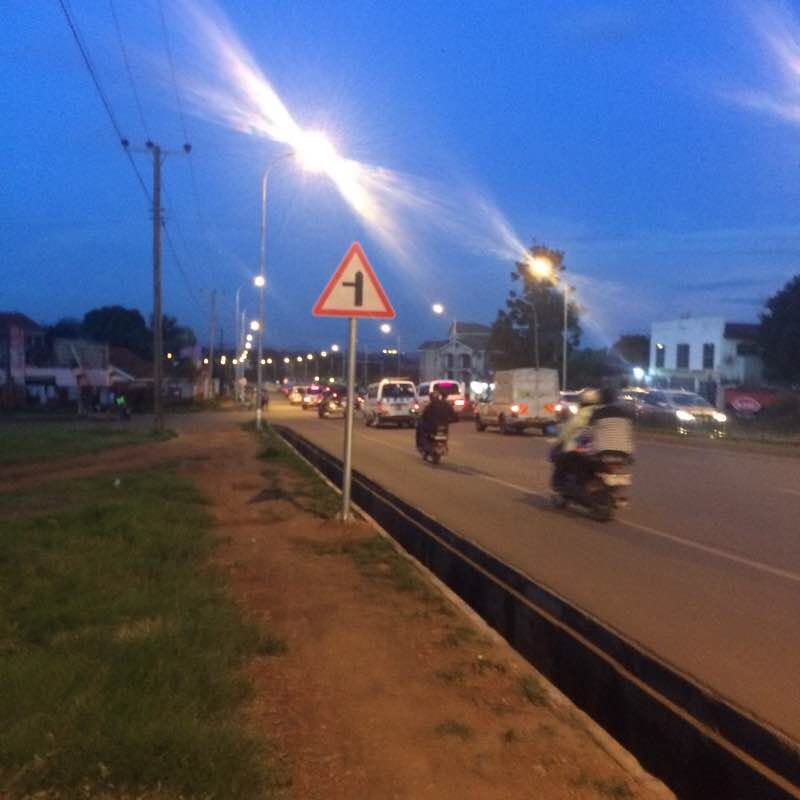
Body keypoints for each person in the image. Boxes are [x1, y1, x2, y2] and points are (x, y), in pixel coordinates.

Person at [551, 388, 602, 489]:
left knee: (562, 460)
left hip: (583, 449)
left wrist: (558, 443)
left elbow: (567, 432)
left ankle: (560, 485)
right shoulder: (601, 412)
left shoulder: (580, 415)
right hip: (601, 449)